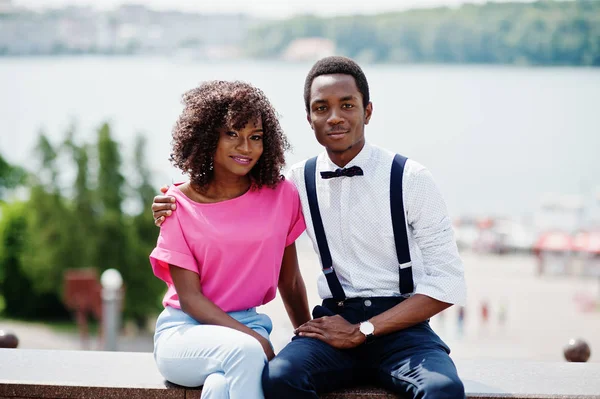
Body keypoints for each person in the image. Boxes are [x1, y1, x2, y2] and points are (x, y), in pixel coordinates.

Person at [153, 57, 467, 398]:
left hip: (403, 327)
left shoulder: (411, 179)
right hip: (333, 321)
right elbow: (229, 196)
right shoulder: (294, 183)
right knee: (280, 377)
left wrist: (364, 330)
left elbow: (448, 283)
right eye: (322, 108)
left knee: (443, 391)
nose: (335, 117)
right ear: (309, 118)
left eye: (347, 105)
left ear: (368, 111)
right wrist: (173, 199)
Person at [149, 80, 310, 399]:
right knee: (246, 353)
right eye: (232, 134)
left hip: (247, 328)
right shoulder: (177, 206)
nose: (246, 148)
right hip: (184, 332)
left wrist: (307, 336)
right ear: (208, 137)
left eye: (256, 137)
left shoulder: (281, 196)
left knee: (221, 389)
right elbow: (190, 299)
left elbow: (289, 281)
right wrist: (254, 339)